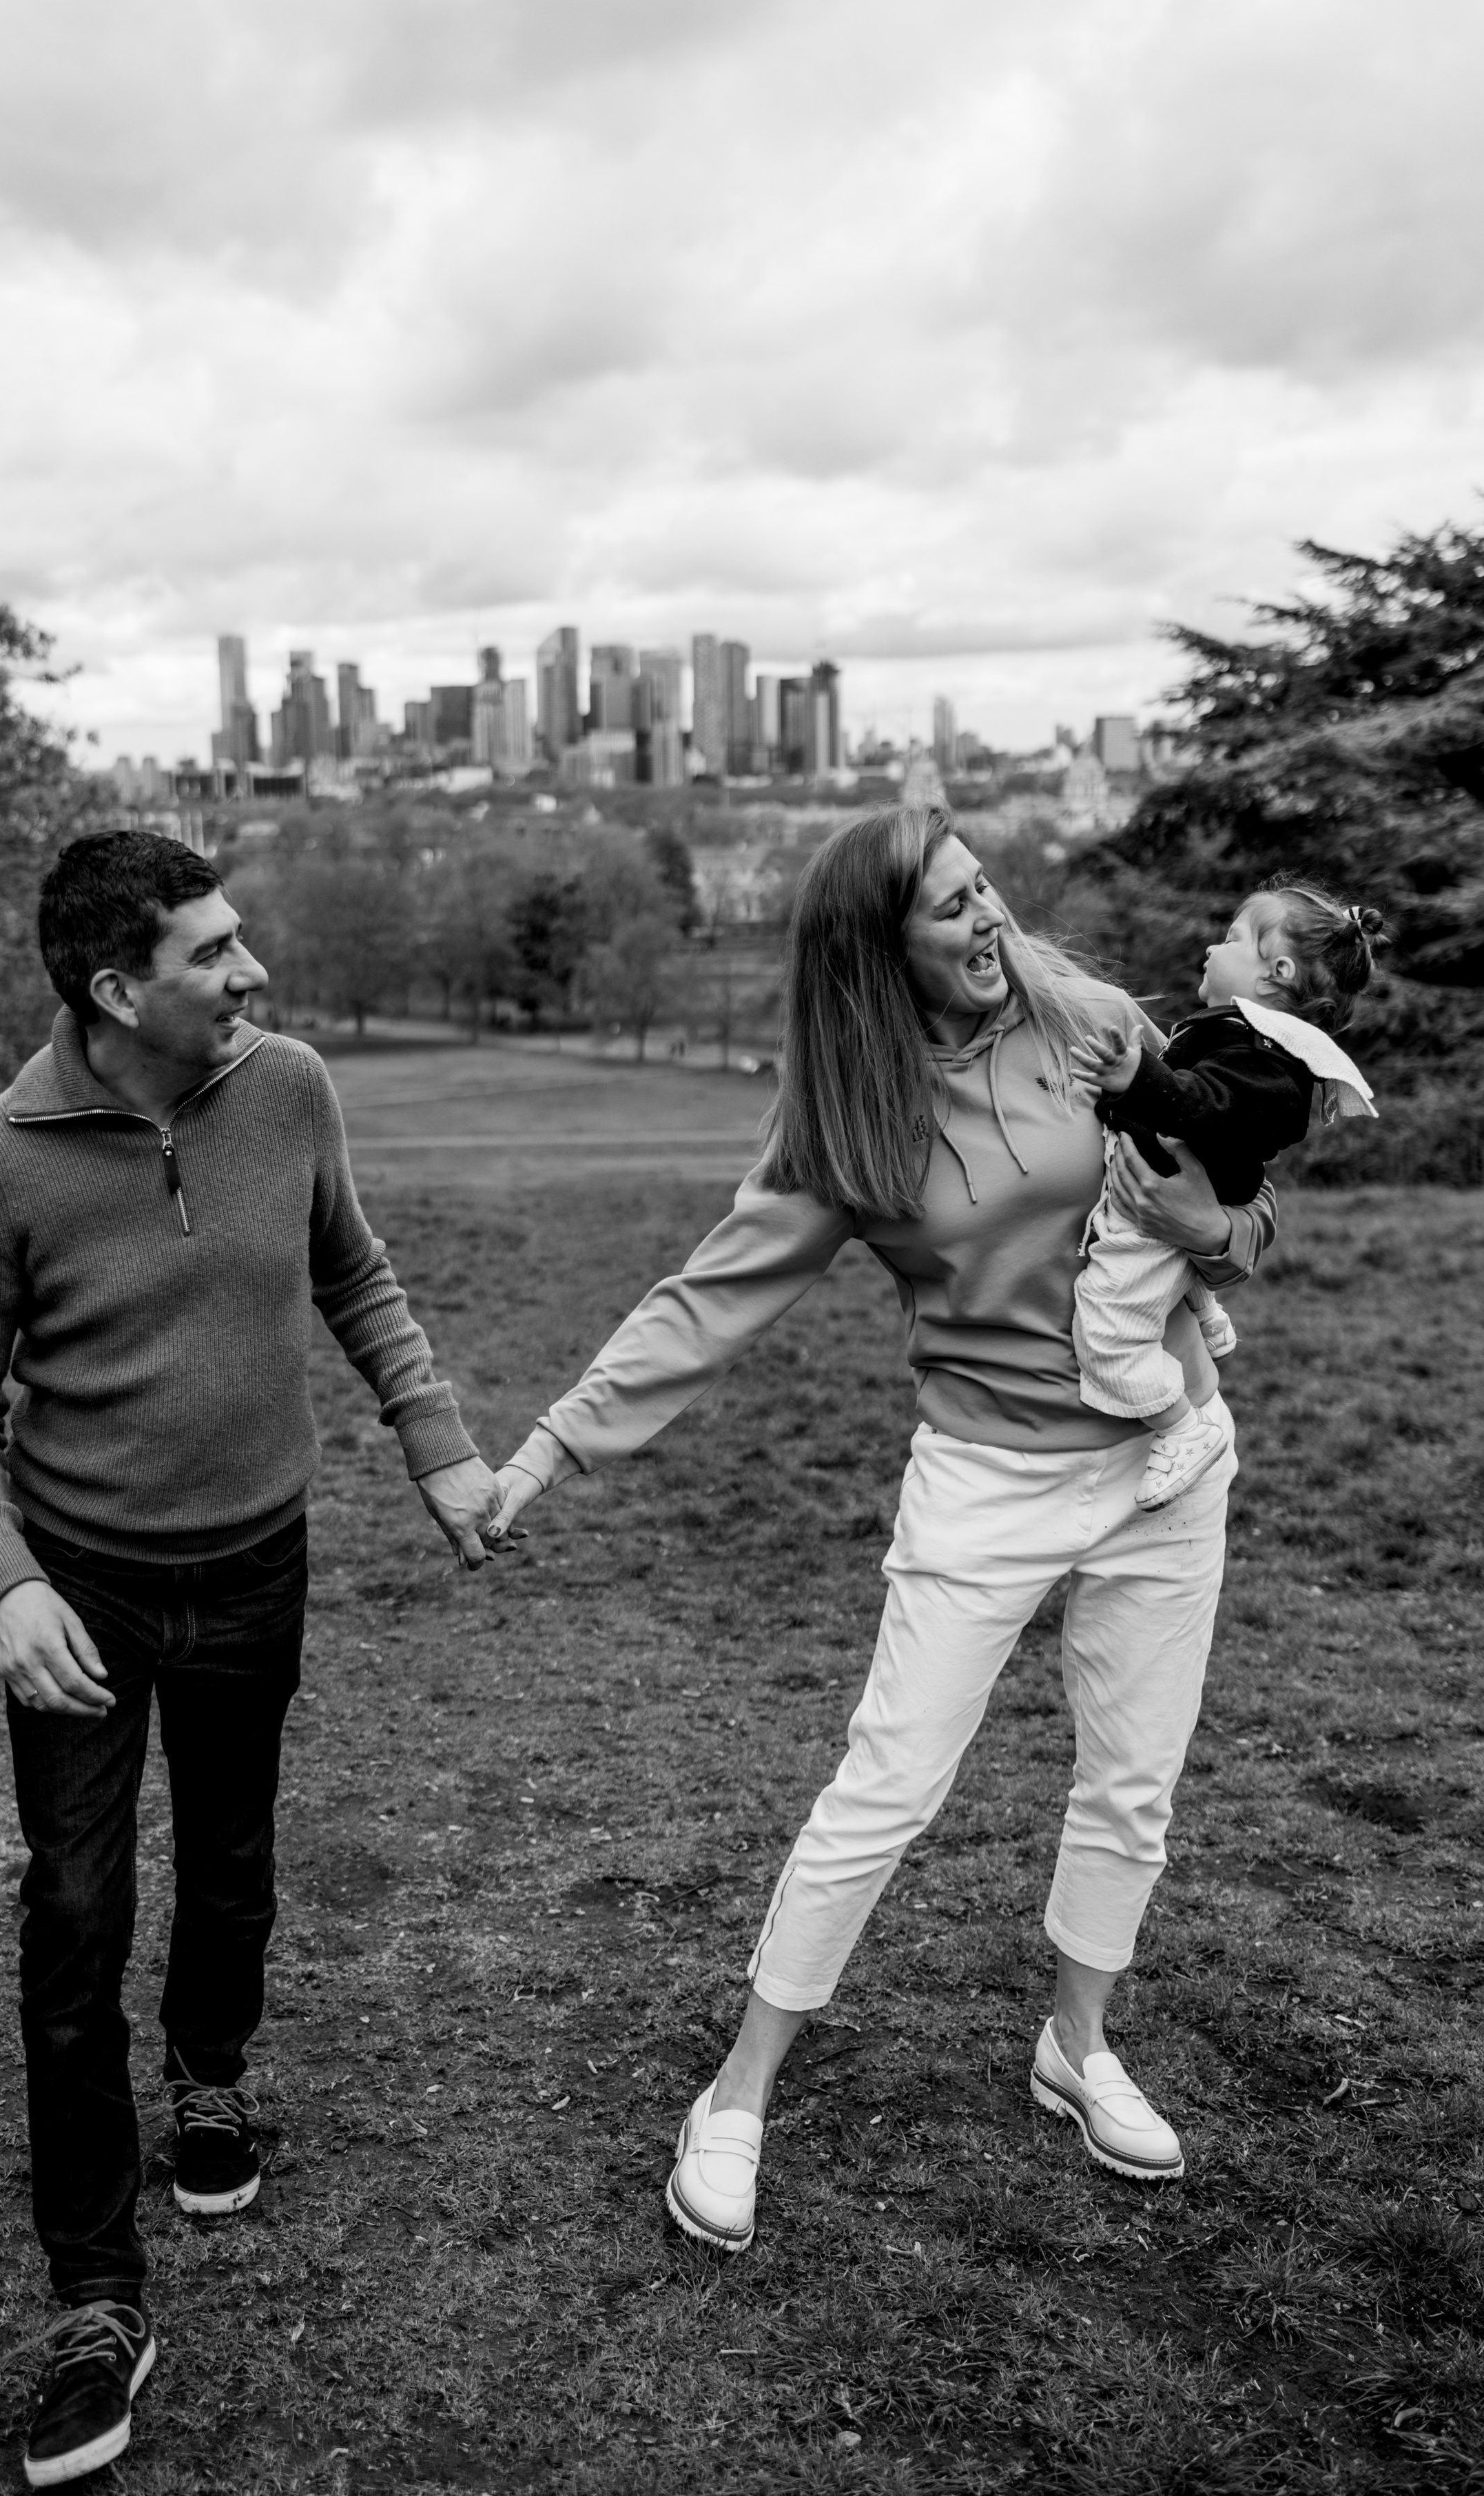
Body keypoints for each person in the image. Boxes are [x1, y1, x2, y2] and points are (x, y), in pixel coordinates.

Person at [485, 804, 1275, 2251]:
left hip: (1168, 1457)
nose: (989, 926)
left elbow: (1243, 1197)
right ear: (876, 950)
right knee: (884, 1786)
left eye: (988, 894)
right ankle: (735, 2093)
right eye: (951, 911)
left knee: (1130, 1784)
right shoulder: (848, 1114)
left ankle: (1076, 2043)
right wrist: (545, 1448)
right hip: (986, 1482)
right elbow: (707, 1297)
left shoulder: (1088, 1018)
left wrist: (1213, 1230)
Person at [0, 832, 499, 2489]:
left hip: (254, 1565)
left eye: (241, 941)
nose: (251, 974)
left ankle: (212, 2074)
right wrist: (7, 1581)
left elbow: (352, 1272)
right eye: (212, 953)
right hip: (79, 1591)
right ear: (116, 990)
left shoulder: (289, 1087)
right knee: (73, 1914)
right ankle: (97, 2299)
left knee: (231, 1865)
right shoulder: (0, 1160)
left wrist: (436, 1441)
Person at [1074, 879, 1382, 1508]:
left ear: (1276, 972)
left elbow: (1204, 1104)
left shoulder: (1265, 1058)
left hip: (1156, 1215)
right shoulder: (1243, 1036)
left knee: (1105, 1332)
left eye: (1231, 937)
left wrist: (1140, 1077)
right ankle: (1204, 1312)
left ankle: (1181, 1428)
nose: (1212, 947)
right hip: (1167, 1205)